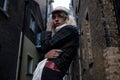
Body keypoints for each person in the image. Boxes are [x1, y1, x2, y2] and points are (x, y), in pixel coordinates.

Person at [40, 6, 79, 80]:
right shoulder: (59, 33)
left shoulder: (69, 29)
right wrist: (45, 55)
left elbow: (45, 47)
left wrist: (48, 29)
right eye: (54, 17)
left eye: (60, 16)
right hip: (50, 70)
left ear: (66, 18)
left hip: (52, 71)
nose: (56, 19)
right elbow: (44, 51)